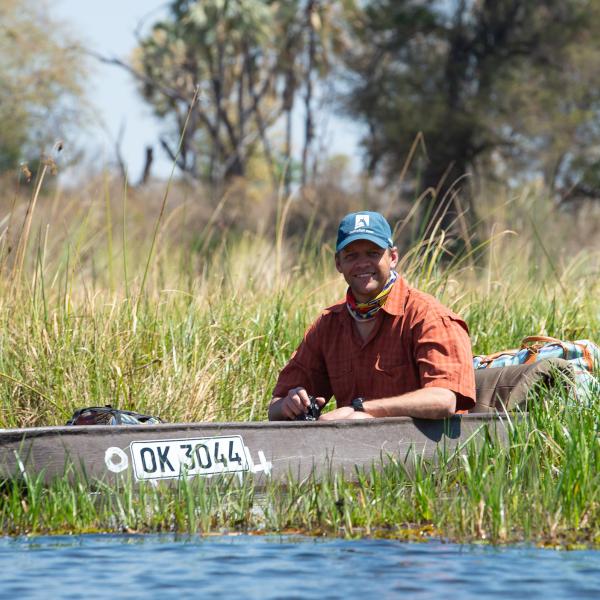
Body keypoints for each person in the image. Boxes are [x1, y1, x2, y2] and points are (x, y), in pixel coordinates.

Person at [268, 211, 476, 421]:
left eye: (373, 253)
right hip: (354, 448)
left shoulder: (428, 316)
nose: (362, 263)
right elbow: (275, 408)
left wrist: (362, 411)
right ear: (338, 263)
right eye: (351, 255)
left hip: (427, 451)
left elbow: (444, 400)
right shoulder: (328, 324)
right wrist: (290, 404)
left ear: (392, 257)